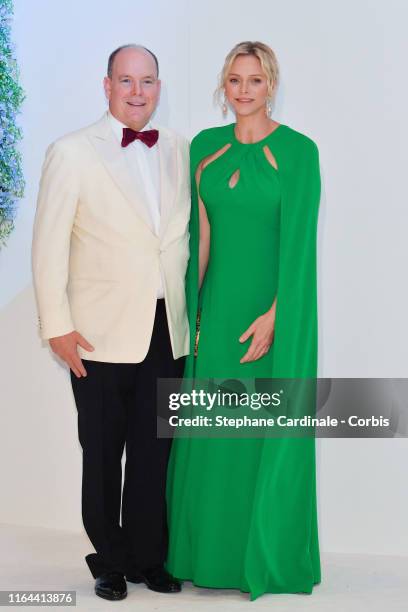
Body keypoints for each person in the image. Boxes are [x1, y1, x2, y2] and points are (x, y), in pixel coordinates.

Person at [32, 44, 190, 601]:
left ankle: (149, 557)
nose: (137, 91)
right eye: (126, 80)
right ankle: (109, 559)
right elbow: (48, 245)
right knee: (102, 453)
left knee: (155, 451)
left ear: (159, 87)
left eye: (147, 81)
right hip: (95, 336)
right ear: (106, 86)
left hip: (167, 331)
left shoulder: (177, 148)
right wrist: (57, 326)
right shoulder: (72, 152)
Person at [165, 41, 322, 600]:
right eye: (235, 80)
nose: (244, 90)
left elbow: (299, 247)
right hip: (220, 312)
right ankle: (205, 556)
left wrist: (276, 317)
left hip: (270, 316)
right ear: (223, 86)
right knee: (212, 436)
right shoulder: (205, 148)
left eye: (255, 80)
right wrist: (193, 312)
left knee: (257, 433)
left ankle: (259, 556)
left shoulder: (300, 153)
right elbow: (200, 235)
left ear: (272, 84)